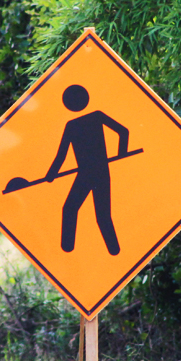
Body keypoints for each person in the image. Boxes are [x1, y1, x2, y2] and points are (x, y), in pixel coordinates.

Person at [45, 84, 129, 255]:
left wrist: (51, 175)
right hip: (94, 172)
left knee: (85, 212)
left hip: (92, 172)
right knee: (93, 213)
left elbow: (61, 156)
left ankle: (109, 251)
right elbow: (123, 132)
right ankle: (109, 251)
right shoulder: (93, 118)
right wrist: (50, 175)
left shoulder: (75, 124)